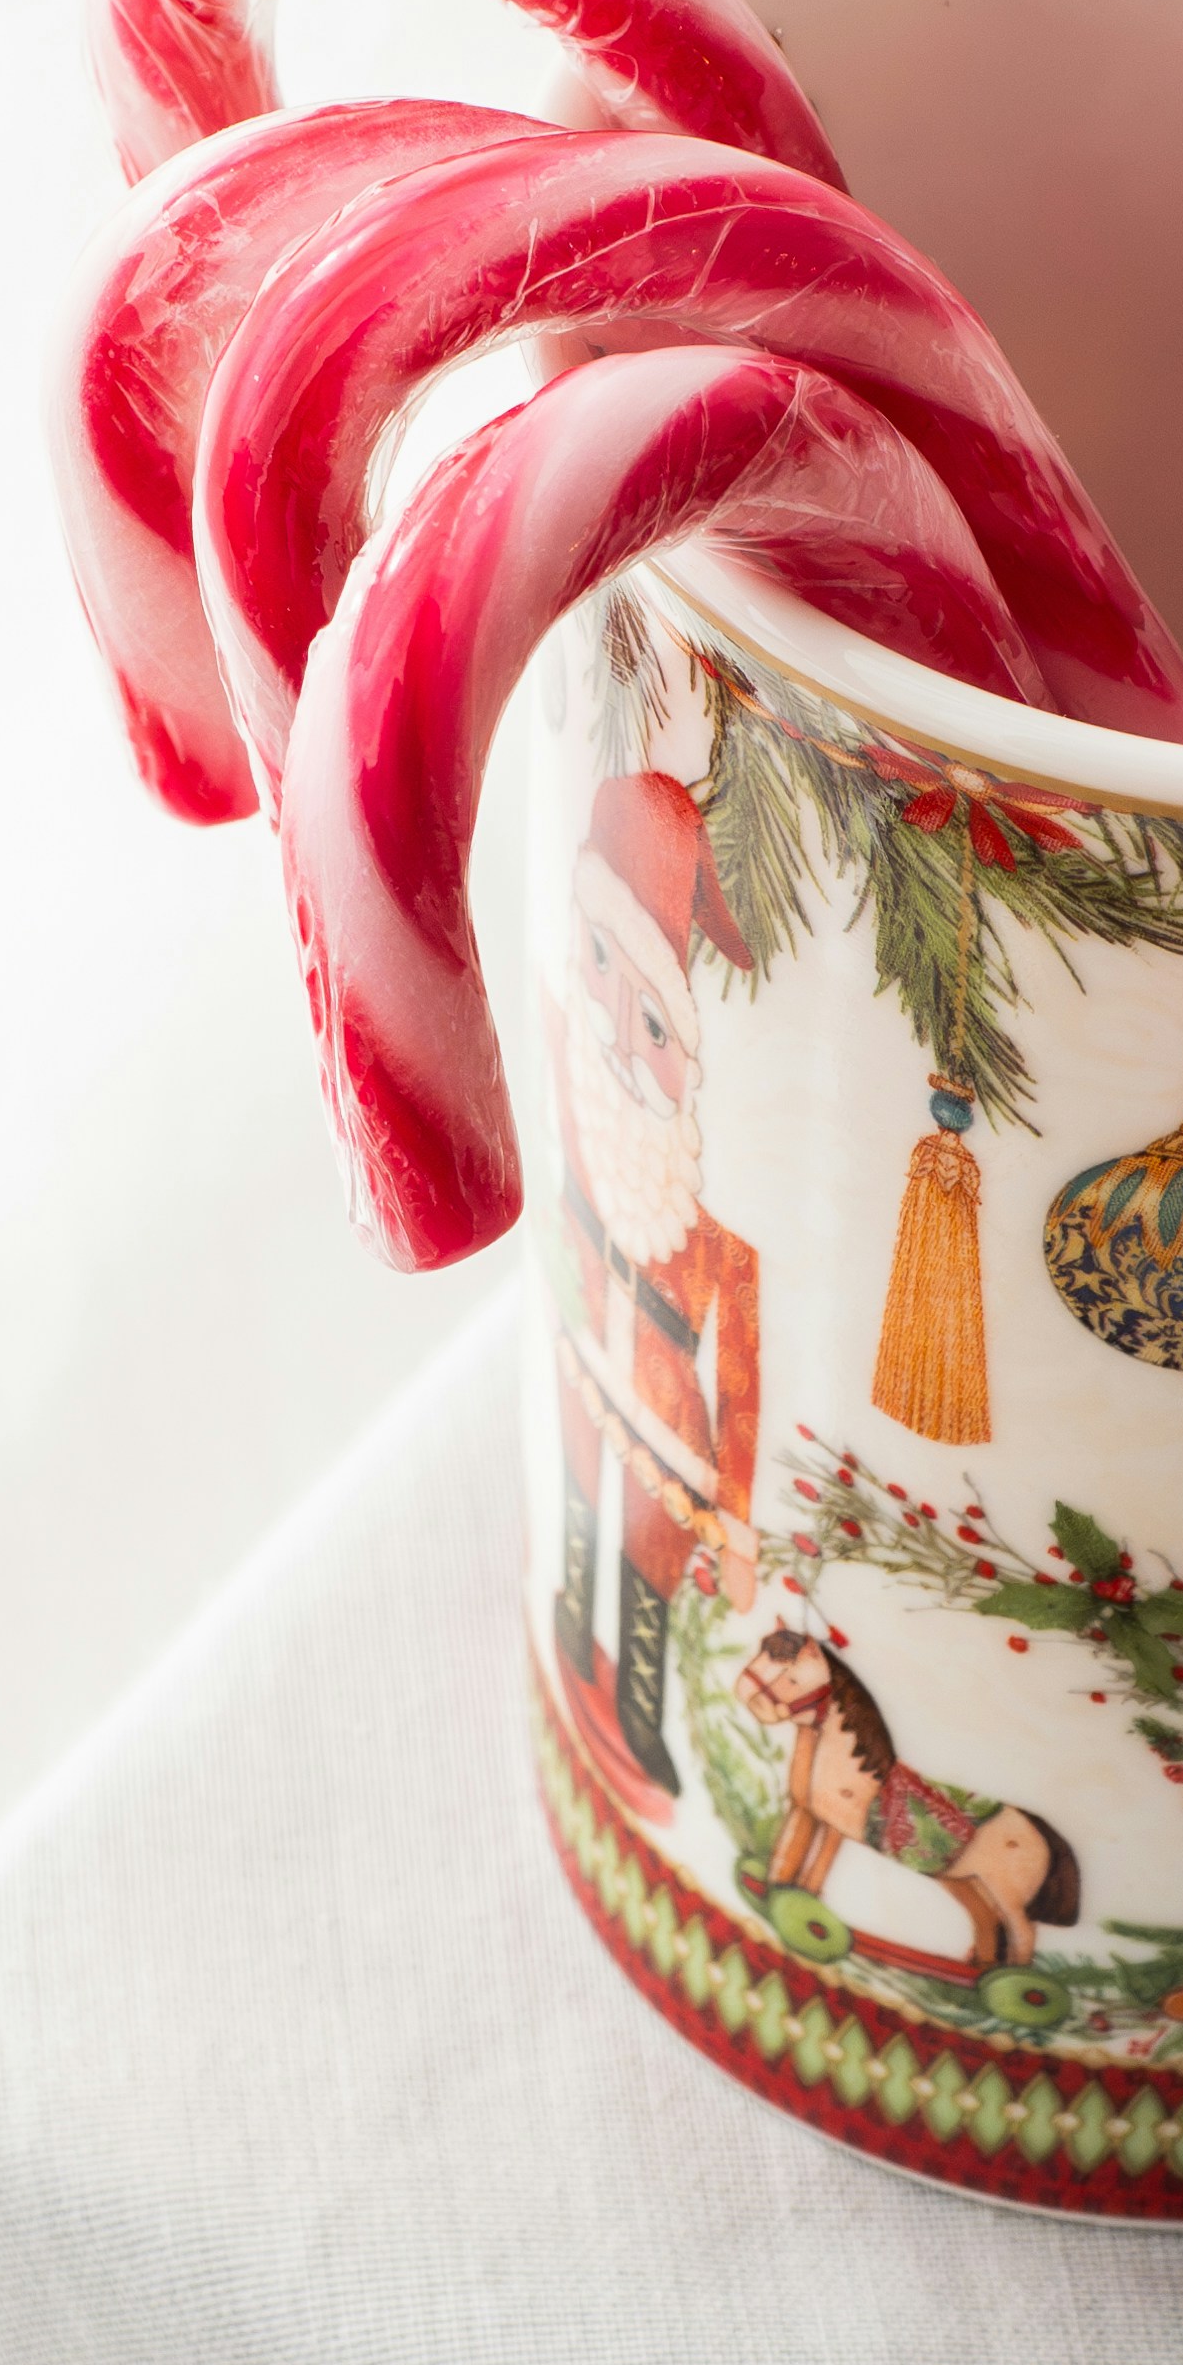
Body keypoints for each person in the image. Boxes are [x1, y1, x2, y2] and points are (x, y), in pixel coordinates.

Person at [543, 772, 762, 1809]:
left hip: (675, 1442)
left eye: (659, 1028)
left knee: (654, 1583)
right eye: (599, 966)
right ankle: (564, 1624)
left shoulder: (714, 1244)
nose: (626, 1043)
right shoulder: (573, 1082)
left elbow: (746, 1385)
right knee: (582, 1514)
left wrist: (745, 1525)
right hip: (585, 1361)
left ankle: (642, 1716)